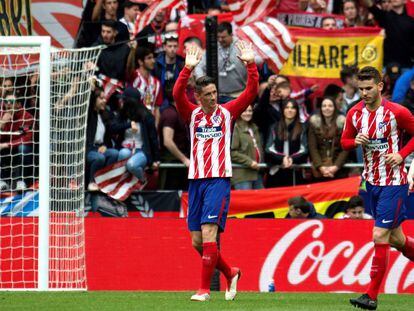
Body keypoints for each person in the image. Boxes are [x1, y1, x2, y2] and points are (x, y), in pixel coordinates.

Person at [173, 42, 258, 301]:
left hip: (218, 180)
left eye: (214, 92)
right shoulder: (192, 114)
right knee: (197, 242)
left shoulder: (228, 112)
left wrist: (250, 65)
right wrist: (186, 69)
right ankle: (231, 272)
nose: (212, 97)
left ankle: (204, 290)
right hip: (196, 181)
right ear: (198, 96)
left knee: (210, 234)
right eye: (207, 94)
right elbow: (177, 94)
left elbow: (251, 92)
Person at [341, 66, 414, 310]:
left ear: (380, 86)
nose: (364, 93)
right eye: (361, 89)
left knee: (379, 234)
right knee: (396, 238)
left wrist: (402, 154)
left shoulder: (397, 112)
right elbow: (343, 142)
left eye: (369, 88)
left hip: (393, 181)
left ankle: (371, 296)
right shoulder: (354, 113)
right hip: (371, 181)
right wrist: (354, 141)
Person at [194, 22, 248, 103]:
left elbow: (255, 62)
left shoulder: (242, 46)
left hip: (239, 94)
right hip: (219, 96)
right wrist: (203, 82)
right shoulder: (213, 47)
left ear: (231, 34)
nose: (220, 40)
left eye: (223, 37)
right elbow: (199, 66)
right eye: (218, 37)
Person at [265, 99, 308, 187]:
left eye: (292, 108)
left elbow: (305, 149)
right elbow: (268, 149)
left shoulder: (303, 127)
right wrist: (283, 158)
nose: (290, 110)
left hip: (295, 172)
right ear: (283, 110)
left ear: (296, 111)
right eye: (287, 107)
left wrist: (291, 159)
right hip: (276, 171)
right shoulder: (274, 127)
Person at [85, 87, 119, 191]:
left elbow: (108, 134)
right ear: (94, 99)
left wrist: (104, 146)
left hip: (99, 148)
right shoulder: (89, 114)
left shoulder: (103, 115)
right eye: (101, 98)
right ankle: (92, 182)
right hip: (89, 149)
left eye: (105, 98)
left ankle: (104, 181)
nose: (104, 100)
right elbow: (89, 101)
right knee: (100, 158)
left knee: (114, 153)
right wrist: (90, 88)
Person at [308, 97, 349, 180]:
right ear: (321, 108)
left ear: (334, 108)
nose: (327, 108)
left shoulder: (342, 123)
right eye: (324, 106)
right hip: (320, 169)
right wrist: (321, 167)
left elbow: (345, 148)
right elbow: (313, 148)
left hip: (339, 170)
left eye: (330, 106)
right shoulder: (314, 124)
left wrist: (336, 167)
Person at [0, 94, 34, 191]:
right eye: (6, 102)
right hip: (5, 150)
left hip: (19, 147)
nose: (8, 104)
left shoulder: (27, 116)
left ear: (18, 104)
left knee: (23, 148)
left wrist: (7, 144)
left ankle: (21, 181)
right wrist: (2, 123)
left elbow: (27, 138)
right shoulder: (2, 115)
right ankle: (2, 181)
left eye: (11, 102)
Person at [126, 46, 163, 127]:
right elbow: (129, 67)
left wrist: (155, 128)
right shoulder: (134, 76)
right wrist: (132, 50)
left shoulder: (157, 83)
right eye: (149, 58)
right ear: (140, 61)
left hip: (150, 123)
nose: (153, 61)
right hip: (135, 123)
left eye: (153, 57)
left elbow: (157, 109)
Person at [231, 105, 264, 190]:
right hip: (243, 175)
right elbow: (232, 152)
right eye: (245, 111)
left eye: (250, 111)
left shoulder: (254, 127)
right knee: (246, 202)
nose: (248, 113)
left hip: (257, 173)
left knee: (260, 201)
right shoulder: (235, 128)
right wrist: (249, 162)